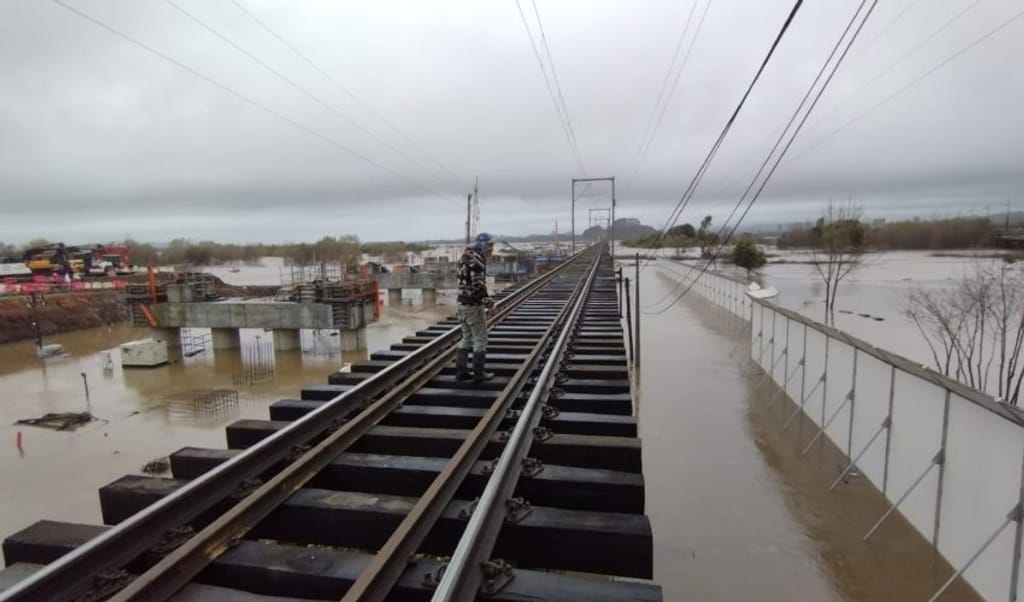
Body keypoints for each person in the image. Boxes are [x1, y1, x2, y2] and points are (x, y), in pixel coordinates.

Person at [456, 232, 496, 384]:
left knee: (466, 338)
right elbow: (478, 285)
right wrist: (490, 304)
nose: (491, 249)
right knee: (481, 339)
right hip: (473, 305)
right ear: (482, 244)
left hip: (461, 303)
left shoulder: (464, 257)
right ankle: (479, 374)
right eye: (489, 245)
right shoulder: (477, 261)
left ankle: (461, 373)